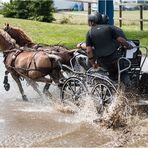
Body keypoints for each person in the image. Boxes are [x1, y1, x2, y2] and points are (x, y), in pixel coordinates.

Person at [85, 13, 132, 85]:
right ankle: (129, 87)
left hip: (102, 61)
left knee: (108, 72)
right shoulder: (109, 28)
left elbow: (88, 51)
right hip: (114, 58)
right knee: (122, 71)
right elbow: (121, 40)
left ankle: (109, 87)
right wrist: (128, 46)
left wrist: (93, 64)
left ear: (91, 22)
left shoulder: (89, 33)